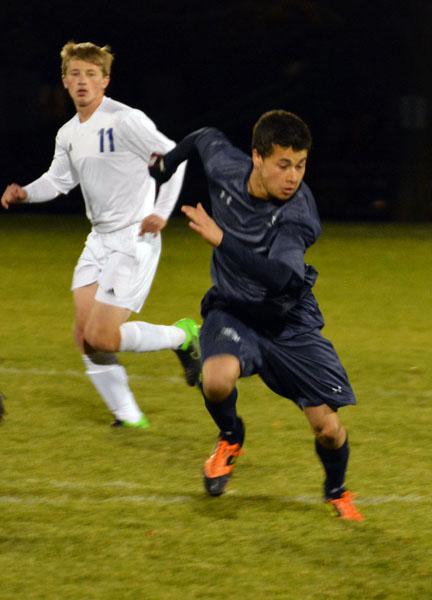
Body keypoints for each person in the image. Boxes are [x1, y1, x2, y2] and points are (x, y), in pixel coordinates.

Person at [149, 110, 363, 520]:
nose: (293, 177)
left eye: (300, 165)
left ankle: (336, 490)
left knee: (329, 430)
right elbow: (203, 135)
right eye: (284, 164)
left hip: (288, 321)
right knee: (215, 379)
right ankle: (231, 437)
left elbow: (283, 277)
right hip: (233, 310)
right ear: (257, 158)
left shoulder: (298, 213)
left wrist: (221, 239)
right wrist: (167, 164)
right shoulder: (227, 168)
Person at [1, 41, 200, 429]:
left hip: (133, 237)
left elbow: (174, 155)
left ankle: (183, 336)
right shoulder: (68, 133)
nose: (82, 81)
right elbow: (58, 181)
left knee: (103, 336)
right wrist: (25, 192)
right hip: (99, 239)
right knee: (84, 335)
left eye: (91, 74)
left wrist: (160, 211)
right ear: (63, 80)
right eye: (75, 73)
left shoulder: (125, 120)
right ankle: (128, 417)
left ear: (105, 80)